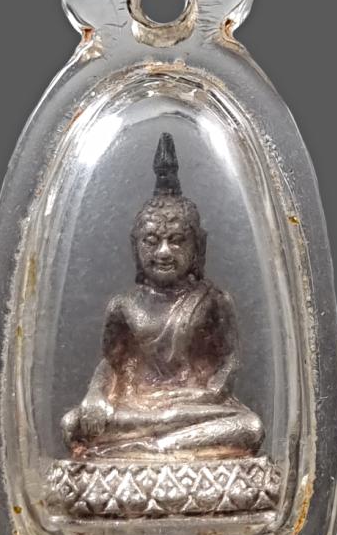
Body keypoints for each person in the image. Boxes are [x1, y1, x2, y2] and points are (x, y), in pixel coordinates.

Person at [61, 133, 264, 459]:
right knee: (73, 424)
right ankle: (164, 445)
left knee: (250, 427)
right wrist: (95, 397)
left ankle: (149, 448)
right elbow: (111, 363)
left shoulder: (213, 300)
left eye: (177, 240)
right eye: (152, 241)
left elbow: (230, 360)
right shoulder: (124, 306)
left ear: (198, 246)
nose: (164, 252)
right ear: (135, 246)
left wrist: (213, 390)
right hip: (136, 406)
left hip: (194, 405)